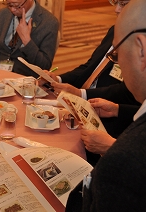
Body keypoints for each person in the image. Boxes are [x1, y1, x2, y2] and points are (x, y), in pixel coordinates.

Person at [66, 0, 146, 210]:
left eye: (117, 54)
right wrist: (119, 109)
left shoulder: (123, 162)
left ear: (142, 50)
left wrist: (111, 148)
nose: (117, 63)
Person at [0, 0, 59, 78]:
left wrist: (27, 41)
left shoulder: (49, 22)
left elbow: (44, 65)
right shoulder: (2, 15)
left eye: (17, 6)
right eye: (9, 5)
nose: (12, 10)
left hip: (26, 82)